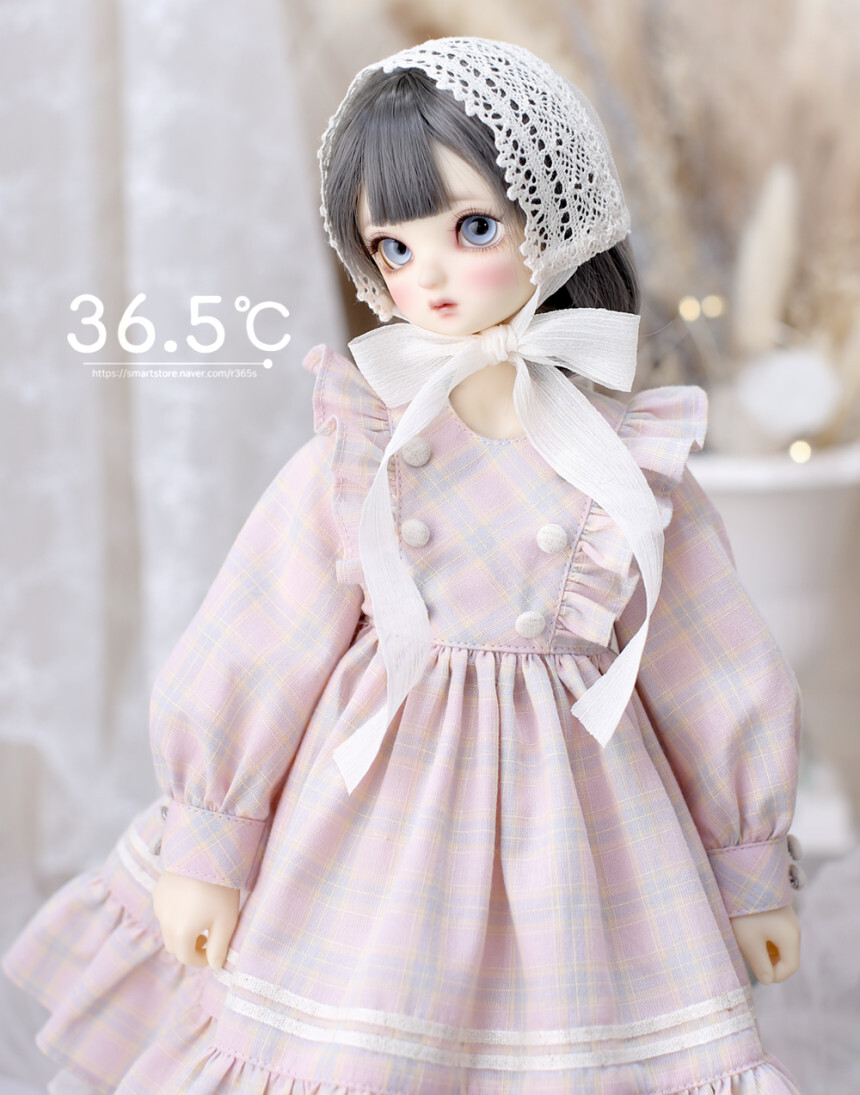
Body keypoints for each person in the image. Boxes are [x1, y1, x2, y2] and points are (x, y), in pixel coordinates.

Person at [3, 37, 804, 1095]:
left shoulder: (625, 461)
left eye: (472, 229)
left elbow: (711, 664)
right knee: (355, 1033)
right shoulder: (365, 449)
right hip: (371, 812)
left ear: (558, 218)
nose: (427, 273)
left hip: (579, 829)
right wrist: (210, 836)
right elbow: (260, 635)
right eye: (391, 245)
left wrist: (749, 862)